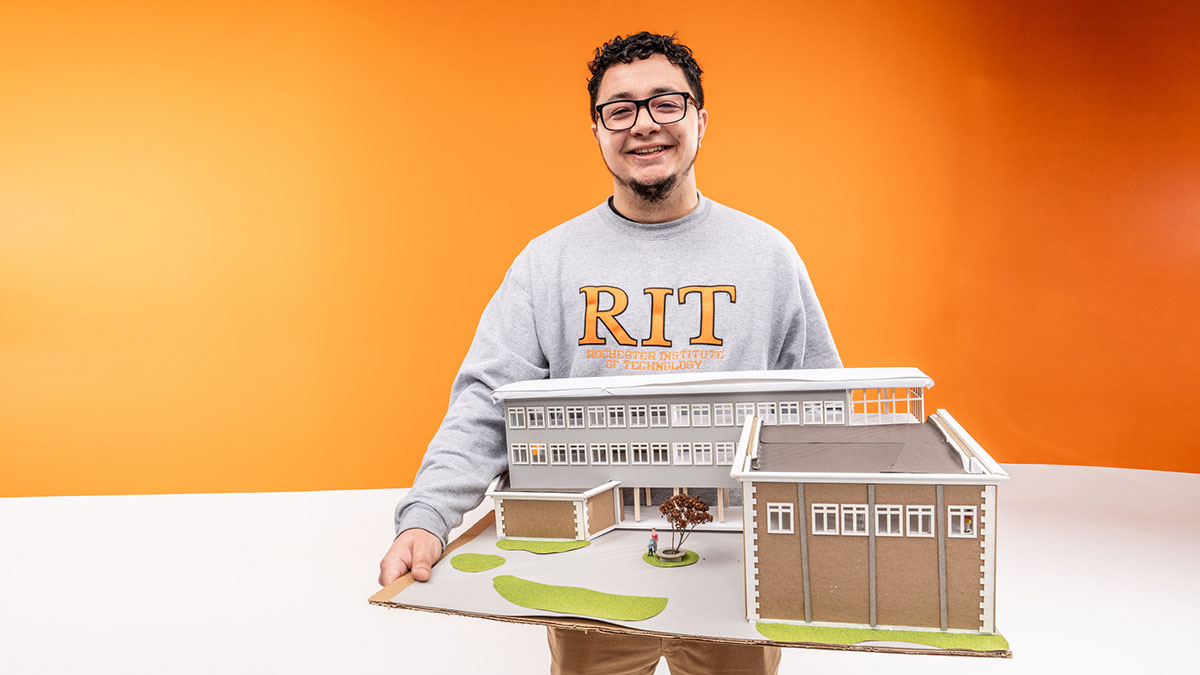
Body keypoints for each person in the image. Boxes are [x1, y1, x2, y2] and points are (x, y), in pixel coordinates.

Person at [379, 31, 841, 674]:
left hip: (738, 566)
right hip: (589, 564)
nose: (643, 125)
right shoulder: (548, 261)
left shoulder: (767, 255)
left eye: (666, 104)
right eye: (619, 110)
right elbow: (487, 401)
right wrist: (426, 516)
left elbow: (822, 408)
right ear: (598, 131)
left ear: (701, 120)